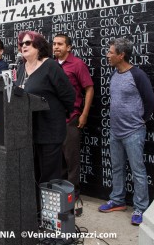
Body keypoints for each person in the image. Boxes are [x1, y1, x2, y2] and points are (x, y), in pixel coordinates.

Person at [99, 37, 154, 226]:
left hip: (133, 132)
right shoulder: (114, 74)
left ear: (121, 55)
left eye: (111, 52)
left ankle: (140, 207)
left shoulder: (137, 75)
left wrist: (140, 121)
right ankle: (117, 200)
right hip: (115, 131)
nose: (108, 55)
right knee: (116, 167)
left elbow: (150, 102)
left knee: (138, 171)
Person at [14, 31, 75, 183]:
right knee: (33, 174)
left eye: (28, 43)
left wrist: (58, 115)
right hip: (28, 132)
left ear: (39, 45)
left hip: (49, 131)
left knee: (49, 176)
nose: (24, 46)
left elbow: (69, 96)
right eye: (22, 44)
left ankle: (49, 206)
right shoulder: (21, 68)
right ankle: (35, 206)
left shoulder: (50, 66)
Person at [52, 34, 94, 197]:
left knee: (71, 159)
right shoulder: (51, 65)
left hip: (71, 119)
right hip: (54, 119)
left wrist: (84, 114)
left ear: (68, 47)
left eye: (60, 44)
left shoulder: (77, 65)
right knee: (58, 158)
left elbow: (89, 89)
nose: (56, 47)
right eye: (54, 44)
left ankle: (73, 193)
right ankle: (61, 192)